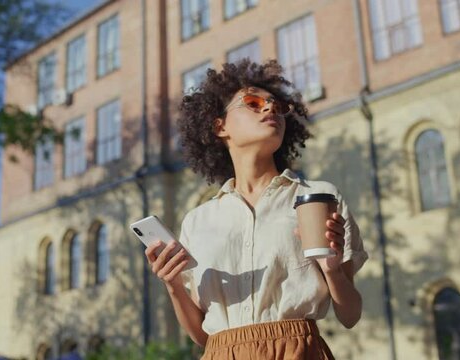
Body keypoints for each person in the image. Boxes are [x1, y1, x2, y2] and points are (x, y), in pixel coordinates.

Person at [144, 59, 368, 359]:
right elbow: (202, 336)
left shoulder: (318, 197)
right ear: (219, 126)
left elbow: (350, 315)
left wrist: (332, 270)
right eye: (253, 103)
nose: (269, 109)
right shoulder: (198, 220)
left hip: (298, 351)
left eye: (278, 107)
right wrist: (172, 285)